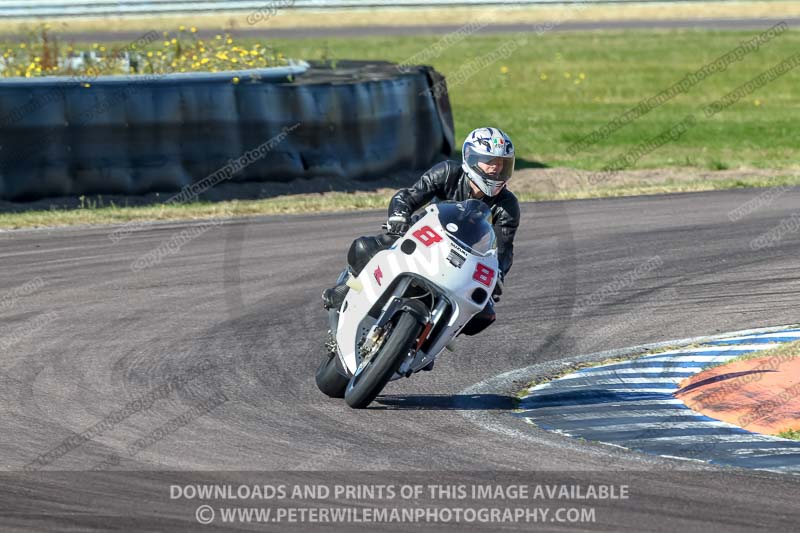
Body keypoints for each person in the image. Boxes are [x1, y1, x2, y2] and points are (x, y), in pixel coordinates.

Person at [322, 126, 520, 337]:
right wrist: (399, 216)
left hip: (463, 260)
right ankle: (347, 288)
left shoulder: (507, 205)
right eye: (490, 162)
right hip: (423, 236)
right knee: (366, 248)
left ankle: (432, 338)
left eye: (502, 164)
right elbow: (408, 196)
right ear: (471, 158)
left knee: (484, 313)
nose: (496, 170)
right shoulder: (448, 172)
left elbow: (503, 250)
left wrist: (498, 275)